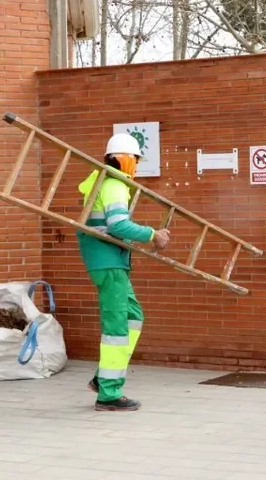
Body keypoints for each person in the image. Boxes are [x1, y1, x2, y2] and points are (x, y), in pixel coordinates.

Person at [77, 133, 171, 412]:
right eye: (136, 161)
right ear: (124, 159)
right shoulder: (114, 185)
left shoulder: (101, 181)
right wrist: (153, 234)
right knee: (117, 327)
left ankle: (103, 377)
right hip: (108, 262)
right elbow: (118, 225)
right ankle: (108, 394)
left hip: (108, 261)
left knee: (133, 317)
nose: (137, 167)